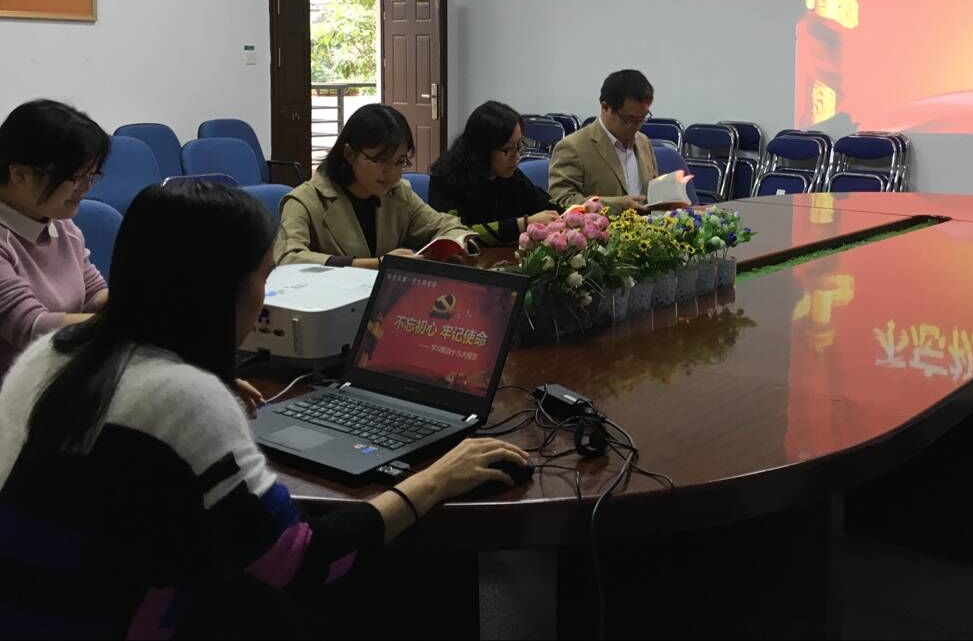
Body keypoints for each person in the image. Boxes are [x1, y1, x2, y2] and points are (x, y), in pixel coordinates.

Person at [0, 182, 529, 636]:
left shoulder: (51, 353)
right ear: (219, 292)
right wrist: (437, 479)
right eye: (264, 276)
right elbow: (300, 561)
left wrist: (193, 382)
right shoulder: (184, 398)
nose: (264, 297)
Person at [274, 104, 476, 268]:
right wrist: (376, 264)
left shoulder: (398, 193)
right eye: (381, 160)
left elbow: (447, 225)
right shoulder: (305, 200)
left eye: (400, 161)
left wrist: (456, 247)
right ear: (349, 154)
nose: (392, 172)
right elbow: (287, 258)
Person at [0, 99, 111, 376]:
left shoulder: (60, 223)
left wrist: (139, 303)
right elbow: (31, 328)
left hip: (61, 373)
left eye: (91, 176)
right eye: (75, 177)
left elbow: (93, 293)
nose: (85, 188)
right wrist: (124, 324)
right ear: (20, 174)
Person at [428, 101, 559, 245]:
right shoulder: (446, 178)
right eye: (508, 149)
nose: (517, 156)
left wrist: (572, 212)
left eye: (519, 145)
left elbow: (545, 205)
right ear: (483, 150)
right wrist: (523, 224)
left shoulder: (510, 175)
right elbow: (457, 236)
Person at [548, 70, 659, 211]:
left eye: (642, 118)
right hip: (603, 225)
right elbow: (561, 201)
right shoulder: (572, 147)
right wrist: (617, 205)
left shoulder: (643, 142)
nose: (637, 127)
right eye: (629, 120)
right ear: (605, 107)